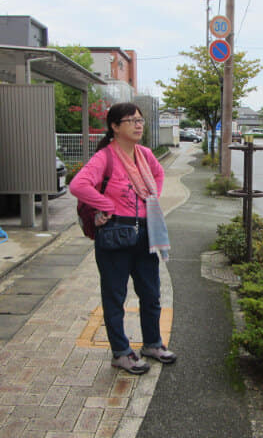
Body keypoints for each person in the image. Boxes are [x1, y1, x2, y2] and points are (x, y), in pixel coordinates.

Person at [70, 102, 175, 374]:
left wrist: (153, 197)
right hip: (115, 234)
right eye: (131, 120)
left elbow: (159, 174)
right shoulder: (105, 157)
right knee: (115, 297)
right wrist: (105, 205)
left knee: (151, 294)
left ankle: (152, 343)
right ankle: (121, 352)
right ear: (115, 127)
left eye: (140, 120)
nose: (138, 125)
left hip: (145, 233)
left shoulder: (145, 154)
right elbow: (78, 185)